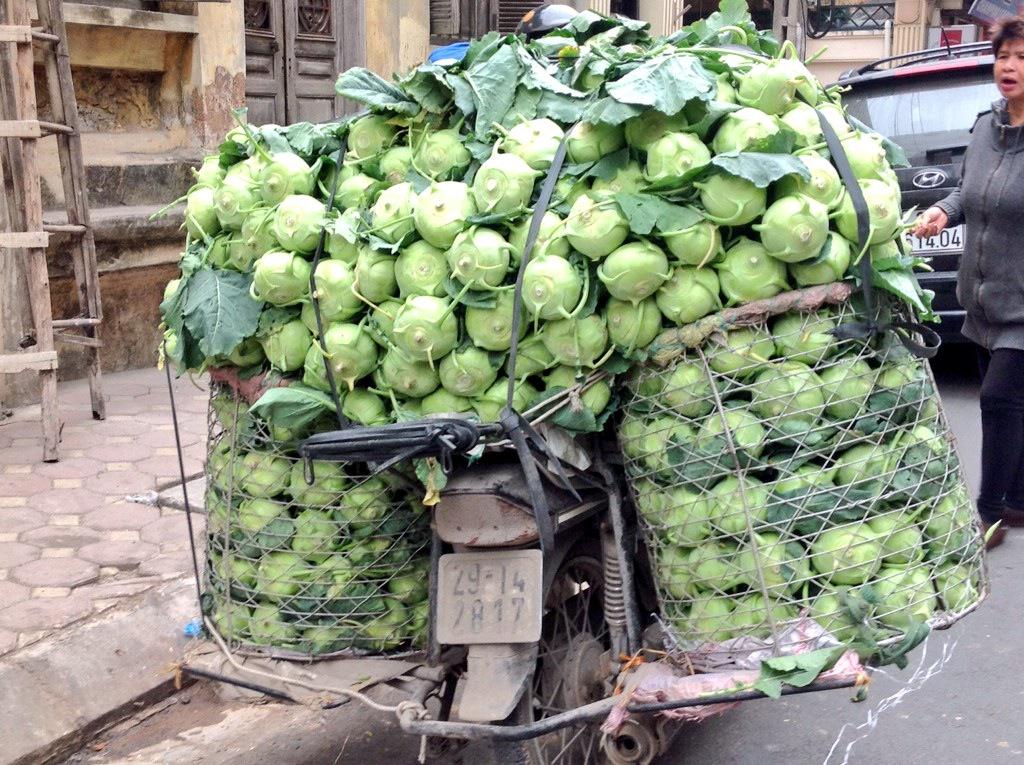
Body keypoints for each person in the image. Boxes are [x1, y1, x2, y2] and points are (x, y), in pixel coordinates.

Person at [913, 16, 1024, 549]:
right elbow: (966, 190)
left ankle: (990, 515)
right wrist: (940, 211)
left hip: (1023, 307)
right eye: (1005, 56)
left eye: (1023, 58)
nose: (1010, 66)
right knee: (1009, 401)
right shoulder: (986, 126)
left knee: (1000, 401)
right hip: (980, 299)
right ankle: (1021, 500)